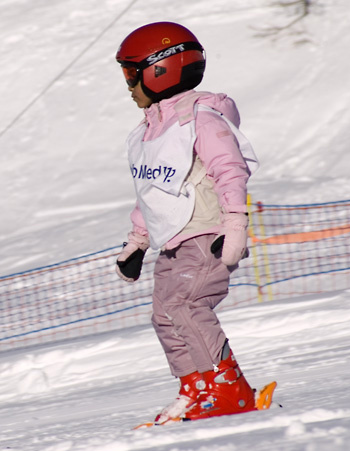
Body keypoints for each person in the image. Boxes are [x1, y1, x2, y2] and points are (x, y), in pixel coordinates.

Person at [114, 22, 265, 424]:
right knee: (165, 314)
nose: (128, 86)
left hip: (205, 235)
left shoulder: (202, 118)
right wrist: (138, 241)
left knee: (186, 305)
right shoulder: (150, 130)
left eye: (132, 74)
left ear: (160, 70)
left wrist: (234, 225)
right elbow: (153, 191)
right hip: (173, 241)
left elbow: (229, 170)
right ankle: (196, 388)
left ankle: (228, 387)